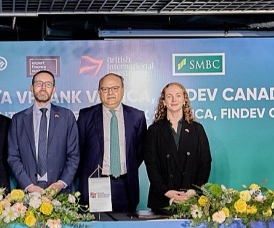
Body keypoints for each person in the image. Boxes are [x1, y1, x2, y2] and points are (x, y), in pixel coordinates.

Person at [77, 73, 147, 214]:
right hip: (96, 185)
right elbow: (79, 151)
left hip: (125, 186)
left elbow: (139, 152)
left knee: (124, 226)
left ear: (123, 90)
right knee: (96, 227)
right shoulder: (86, 116)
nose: (110, 93)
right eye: (105, 89)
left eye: (115, 88)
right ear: (99, 92)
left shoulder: (137, 116)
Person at [143, 82, 212, 215]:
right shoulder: (154, 131)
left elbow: (205, 163)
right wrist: (166, 191)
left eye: (178, 95)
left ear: (184, 100)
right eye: (169, 96)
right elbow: (151, 165)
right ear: (164, 102)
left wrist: (194, 191)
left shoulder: (197, 129)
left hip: (191, 201)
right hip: (162, 200)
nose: (174, 100)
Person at [7, 70, 79, 195]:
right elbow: (13, 157)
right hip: (27, 192)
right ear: (31, 88)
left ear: (54, 89)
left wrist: (60, 184)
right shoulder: (18, 120)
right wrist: (29, 186)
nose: (43, 88)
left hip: (60, 191)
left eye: (48, 84)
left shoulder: (67, 117)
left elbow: (74, 155)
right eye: (39, 83)